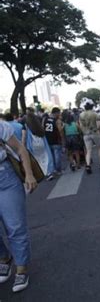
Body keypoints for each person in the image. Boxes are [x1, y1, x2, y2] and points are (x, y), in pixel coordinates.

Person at [0, 120, 38, 292]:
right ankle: (4, 258)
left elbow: (20, 148)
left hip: (5, 178)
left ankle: (21, 269)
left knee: (15, 226)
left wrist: (29, 174)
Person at [24, 112, 54, 180]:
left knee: (38, 160)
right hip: (41, 143)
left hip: (33, 145)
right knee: (45, 157)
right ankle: (48, 172)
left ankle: (42, 173)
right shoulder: (38, 125)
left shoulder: (27, 126)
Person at [79, 100, 100, 174]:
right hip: (94, 133)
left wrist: (84, 132)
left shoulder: (81, 115)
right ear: (92, 106)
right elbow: (99, 125)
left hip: (86, 134)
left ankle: (88, 165)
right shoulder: (95, 114)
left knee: (88, 151)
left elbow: (81, 126)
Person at [43, 107, 64, 175]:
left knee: (51, 156)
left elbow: (42, 127)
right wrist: (62, 139)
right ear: (56, 113)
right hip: (56, 140)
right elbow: (60, 130)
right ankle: (58, 170)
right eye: (59, 113)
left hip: (48, 140)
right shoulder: (57, 120)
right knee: (57, 156)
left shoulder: (45, 119)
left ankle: (53, 169)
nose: (60, 114)